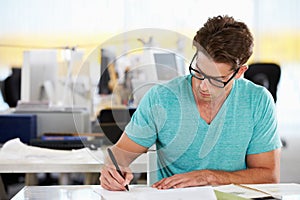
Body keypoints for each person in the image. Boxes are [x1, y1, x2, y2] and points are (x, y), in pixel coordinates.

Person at [100, 15, 282, 191]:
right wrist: (113, 168)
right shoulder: (161, 98)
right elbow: (120, 154)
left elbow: (268, 176)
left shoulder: (257, 101)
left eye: (216, 80)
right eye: (199, 71)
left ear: (240, 72)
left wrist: (209, 177)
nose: (203, 86)